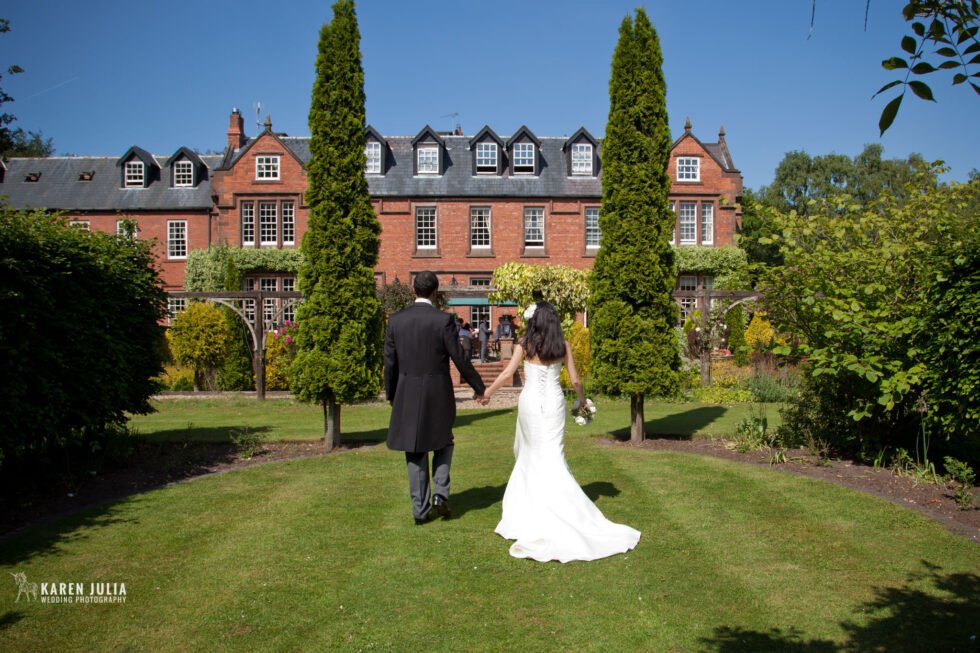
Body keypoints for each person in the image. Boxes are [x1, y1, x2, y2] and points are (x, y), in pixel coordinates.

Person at [480, 301, 641, 562]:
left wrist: (487, 393)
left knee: (531, 453)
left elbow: (508, 372)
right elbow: (576, 380)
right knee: (553, 453)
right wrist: (583, 403)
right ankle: (558, 505)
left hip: (530, 403)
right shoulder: (563, 346)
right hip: (554, 403)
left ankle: (530, 510)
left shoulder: (525, 344)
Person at [385, 271, 486, 525]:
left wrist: (391, 393)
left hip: (407, 391)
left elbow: (390, 362)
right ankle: (440, 494)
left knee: (414, 449)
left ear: (413, 290)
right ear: (434, 292)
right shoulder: (443, 321)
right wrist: (478, 386)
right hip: (438, 391)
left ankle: (420, 510)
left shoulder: (396, 320)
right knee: (443, 442)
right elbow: (459, 358)